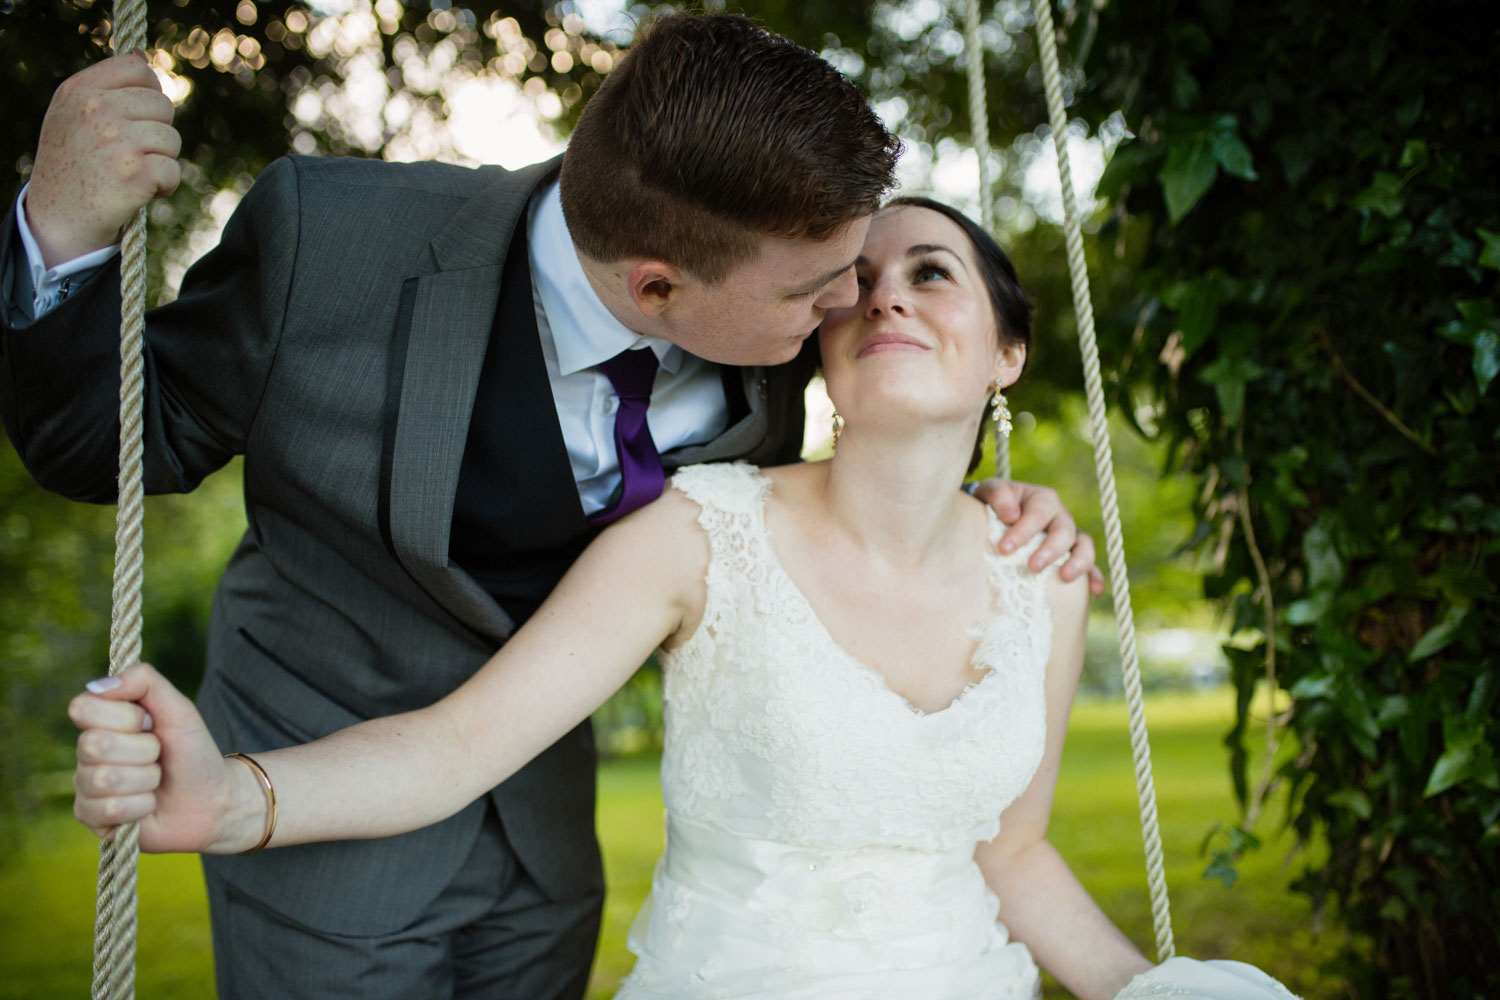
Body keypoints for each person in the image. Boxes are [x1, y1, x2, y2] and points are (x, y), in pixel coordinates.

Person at [2, 13, 1102, 999]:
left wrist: (996, 513)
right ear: (658, 289)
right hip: (316, 791)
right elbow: (97, 441)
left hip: (546, 831)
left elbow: (894, 449)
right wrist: (63, 231)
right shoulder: (329, 246)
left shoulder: (772, 312)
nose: (849, 305)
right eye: (822, 289)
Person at [71, 199, 1300, 1000]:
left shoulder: (1042, 579)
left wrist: (1148, 986)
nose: (888, 297)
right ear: (818, 335)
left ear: (1008, 353)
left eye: (933, 274)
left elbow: (1014, 853)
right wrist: (235, 799)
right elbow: (455, 746)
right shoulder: (699, 533)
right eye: (859, 280)